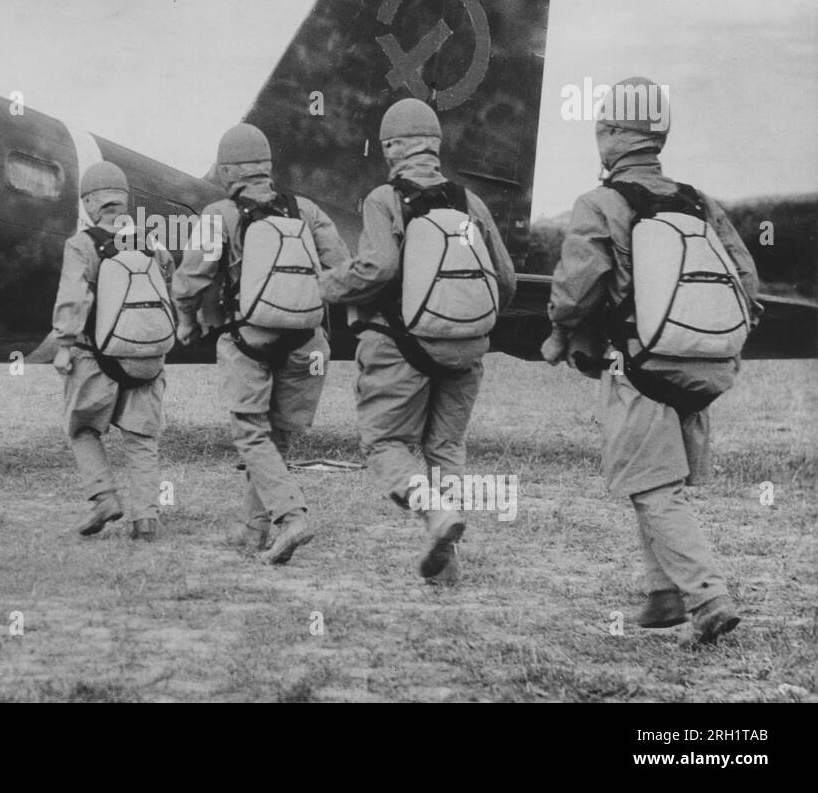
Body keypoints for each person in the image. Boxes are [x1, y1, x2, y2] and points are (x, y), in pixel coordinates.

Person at [541, 78, 761, 643]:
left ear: (614, 135)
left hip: (638, 368)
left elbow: (573, 293)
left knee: (653, 489)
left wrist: (563, 332)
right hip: (700, 367)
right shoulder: (698, 202)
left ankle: (707, 596)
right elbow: (747, 283)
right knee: (659, 480)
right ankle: (662, 596)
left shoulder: (599, 204)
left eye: (602, 129)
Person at [320, 98, 516, 583]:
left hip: (399, 348)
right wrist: (464, 320)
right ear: (436, 145)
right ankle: (447, 565)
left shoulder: (383, 199)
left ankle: (435, 517)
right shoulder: (471, 202)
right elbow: (506, 279)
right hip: (466, 349)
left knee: (386, 442)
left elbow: (378, 268)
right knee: (446, 447)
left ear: (390, 147)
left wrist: (325, 284)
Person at [173, 123, 349, 565]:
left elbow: (189, 280)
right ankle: (254, 533)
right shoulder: (306, 211)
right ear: (267, 168)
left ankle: (291, 517)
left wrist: (186, 319)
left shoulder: (219, 214)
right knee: (277, 439)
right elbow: (344, 270)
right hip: (309, 344)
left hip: (248, 340)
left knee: (250, 433)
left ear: (228, 171)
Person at [51, 162, 176, 540]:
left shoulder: (81, 244)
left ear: (90, 203)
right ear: (124, 201)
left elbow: (74, 297)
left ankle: (104, 498)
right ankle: (146, 520)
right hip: (147, 360)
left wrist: (64, 345)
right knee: (141, 440)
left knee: (82, 428)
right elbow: (167, 278)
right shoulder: (152, 242)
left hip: (95, 358)